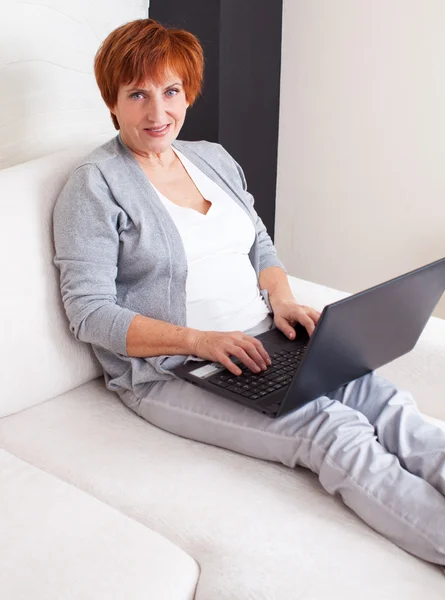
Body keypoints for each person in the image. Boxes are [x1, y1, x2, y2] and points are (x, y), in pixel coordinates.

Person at [53, 18, 445, 567]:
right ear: (111, 101)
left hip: (267, 340)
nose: (157, 111)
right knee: (331, 428)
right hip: (172, 370)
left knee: (381, 398)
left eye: (170, 91)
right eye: (137, 94)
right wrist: (202, 340)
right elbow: (88, 313)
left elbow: (258, 242)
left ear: (188, 92)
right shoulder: (93, 186)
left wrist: (281, 299)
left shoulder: (212, 158)